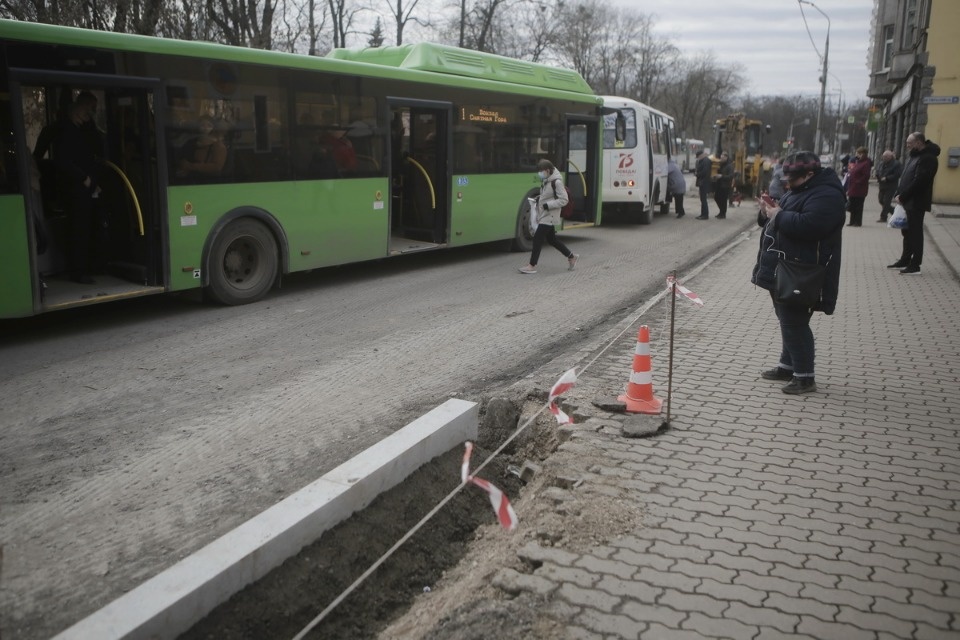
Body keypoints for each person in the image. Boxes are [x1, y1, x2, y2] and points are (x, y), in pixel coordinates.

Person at [751, 151, 845, 395]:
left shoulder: (827, 195)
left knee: (795, 323)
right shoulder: (801, 189)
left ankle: (804, 377)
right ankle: (788, 366)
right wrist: (767, 212)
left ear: (809, 174)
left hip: (803, 270)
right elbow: (781, 216)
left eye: (792, 179)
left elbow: (810, 225)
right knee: (787, 320)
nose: (787, 184)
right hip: (785, 268)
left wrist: (779, 215)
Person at [54, 91, 104, 284]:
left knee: (87, 227)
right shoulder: (66, 130)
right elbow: (63, 161)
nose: (90, 114)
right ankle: (78, 270)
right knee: (79, 229)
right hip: (75, 188)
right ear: (76, 108)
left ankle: (89, 266)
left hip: (86, 186)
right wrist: (84, 178)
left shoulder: (83, 129)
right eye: (88, 109)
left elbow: (95, 147)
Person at [889, 132, 941, 275]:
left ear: (918, 142)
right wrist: (898, 193)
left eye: (909, 143)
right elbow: (906, 176)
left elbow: (920, 181)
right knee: (906, 231)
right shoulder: (915, 156)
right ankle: (905, 260)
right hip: (907, 200)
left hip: (917, 201)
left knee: (915, 233)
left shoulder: (928, 158)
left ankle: (915, 264)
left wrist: (904, 196)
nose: (907, 145)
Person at [519, 159, 578, 274]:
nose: (540, 174)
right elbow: (548, 195)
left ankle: (531, 265)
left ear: (547, 170)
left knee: (537, 238)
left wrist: (548, 205)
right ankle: (571, 256)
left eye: (541, 171)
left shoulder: (557, 182)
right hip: (545, 214)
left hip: (550, 215)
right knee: (552, 240)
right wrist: (539, 199)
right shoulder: (547, 180)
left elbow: (564, 200)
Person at [844, 147, 872, 227]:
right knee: (852, 205)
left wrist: (858, 182)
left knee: (858, 205)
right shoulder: (858, 162)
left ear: (863, 154)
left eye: (859, 153)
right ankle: (852, 221)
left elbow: (866, 175)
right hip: (853, 188)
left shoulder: (866, 163)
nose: (857, 155)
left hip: (859, 189)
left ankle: (857, 222)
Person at [875, 149, 902, 223]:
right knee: (881, 200)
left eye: (886, 156)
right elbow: (878, 170)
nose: (884, 158)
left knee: (886, 201)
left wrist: (887, 178)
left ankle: (883, 217)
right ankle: (894, 211)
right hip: (882, 185)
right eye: (883, 156)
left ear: (890, 156)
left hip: (891, 186)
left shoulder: (896, 164)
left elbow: (897, 174)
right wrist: (878, 175)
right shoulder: (881, 163)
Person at [713, 152, 733, 219]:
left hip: (725, 185)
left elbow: (731, 176)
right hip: (719, 184)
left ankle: (723, 214)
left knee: (723, 200)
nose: (721, 159)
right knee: (716, 197)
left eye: (723, 157)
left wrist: (722, 176)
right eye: (721, 157)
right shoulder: (720, 164)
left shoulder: (729, 166)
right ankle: (721, 211)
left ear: (726, 157)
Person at [694, 149, 711, 220]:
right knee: (702, 199)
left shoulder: (706, 161)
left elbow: (705, 172)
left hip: (704, 182)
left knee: (704, 199)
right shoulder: (703, 161)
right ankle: (703, 214)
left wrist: (697, 174)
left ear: (701, 155)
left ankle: (705, 215)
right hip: (702, 182)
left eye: (698, 157)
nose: (698, 158)